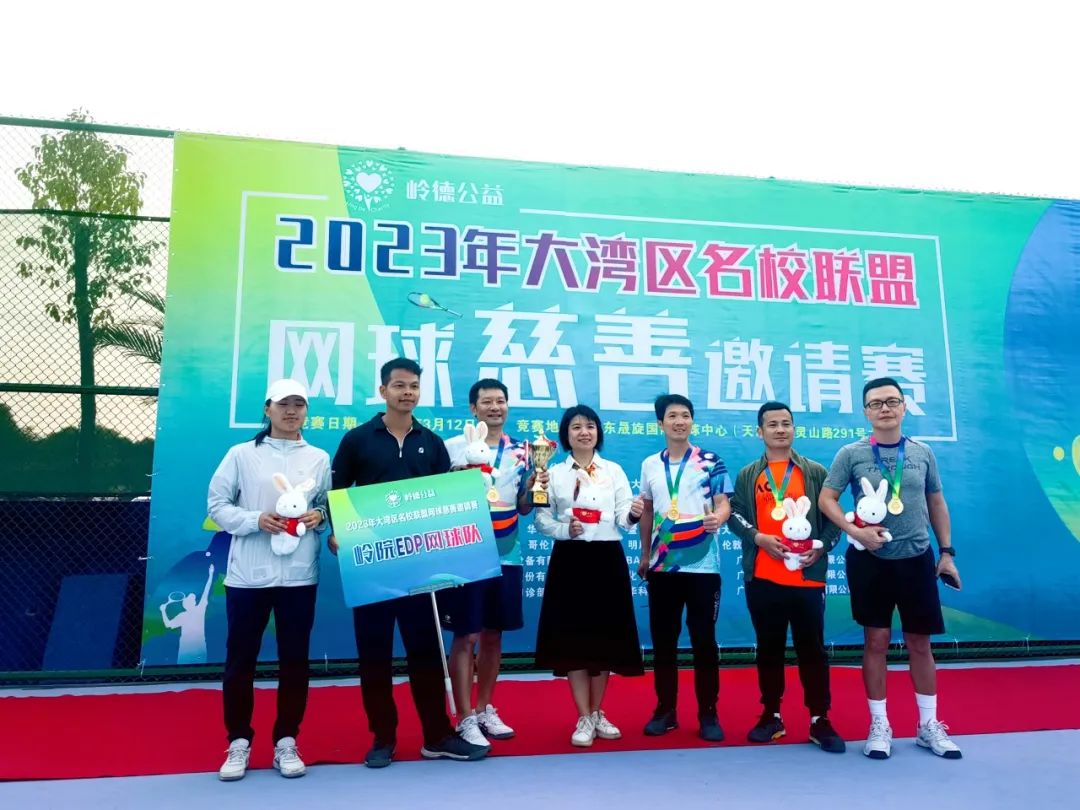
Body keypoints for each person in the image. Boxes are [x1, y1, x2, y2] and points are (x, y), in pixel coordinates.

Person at [329, 358, 488, 767]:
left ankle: (437, 735)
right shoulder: (357, 440)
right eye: (399, 385)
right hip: (372, 566)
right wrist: (336, 531)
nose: (407, 393)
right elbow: (337, 493)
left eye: (414, 386)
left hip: (420, 568)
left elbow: (443, 501)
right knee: (374, 656)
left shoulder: (430, 442)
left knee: (427, 653)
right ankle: (383, 737)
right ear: (383, 391)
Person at [819, 377, 962, 760]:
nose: (884, 408)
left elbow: (936, 502)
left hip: (916, 558)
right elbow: (827, 499)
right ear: (866, 412)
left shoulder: (922, 452)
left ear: (903, 406)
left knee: (920, 643)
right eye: (876, 403)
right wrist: (854, 531)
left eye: (891, 401)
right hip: (870, 561)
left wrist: (946, 552)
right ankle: (879, 724)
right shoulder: (850, 453)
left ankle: (928, 725)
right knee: (876, 641)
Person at [207, 378, 331, 781]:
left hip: (299, 576)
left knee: (295, 661)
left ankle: (286, 741)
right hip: (248, 576)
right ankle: (239, 741)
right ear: (267, 409)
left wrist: (319, 516)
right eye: (283, 404)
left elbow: (326, 506)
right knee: (240, 660)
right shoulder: (241, 454)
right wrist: (255, 519)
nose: (291, 411)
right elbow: (217, 505)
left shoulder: (318, 458)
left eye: (299, 405)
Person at [728, 401, 845, 753]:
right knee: (769, 649)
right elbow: (735, 515)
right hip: (763, 578)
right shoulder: (749, 474)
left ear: (794, 428)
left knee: (813, 650)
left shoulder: (815, 472)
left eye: (786, 423)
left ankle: (819, 719)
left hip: (807, 579)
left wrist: (821, 547)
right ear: (759, 431)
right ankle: (771, 715)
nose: (780, 430)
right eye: (772, 424)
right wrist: (758, 538)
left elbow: (834, 520)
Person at [533, 404, 644, 747]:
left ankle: (597, 712)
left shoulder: (614, 470)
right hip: (570, 560)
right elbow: (541, 519)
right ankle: (583, 715)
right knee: (574, 640)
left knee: (604, 639)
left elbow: (623, 517)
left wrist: (634, 514)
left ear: (598, 432)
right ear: (566, 435)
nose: (584, 432)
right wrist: (565, 529)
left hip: (607, 561)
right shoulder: (552, 473)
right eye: (576, 427)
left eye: (590, 426)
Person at [440, 379, 538, 748]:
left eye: (500, 401)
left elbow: (525, 507)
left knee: (494, 634)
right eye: (487, 402)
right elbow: (438, 498)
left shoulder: (524, 451)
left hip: (507, 553)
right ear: (473, 408)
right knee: (466, 634)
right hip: (465, 553)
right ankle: (464, 716)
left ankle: (484, 708)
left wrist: (535, 486)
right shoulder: (453, 447)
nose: (495, 407)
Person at [636, 394, 732, 742]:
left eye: (685, 415)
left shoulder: (710, 461)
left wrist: (717, 518)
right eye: (672, 416)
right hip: (663, 567)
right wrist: (645, 555)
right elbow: (647, 510)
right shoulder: (650, 465)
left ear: (692, 421)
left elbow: (724, 504)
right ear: (660, 423)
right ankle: (665, 711)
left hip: (703, 566)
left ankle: (708, 713)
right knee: (664, 642)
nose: (680, 421)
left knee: (704, 641)